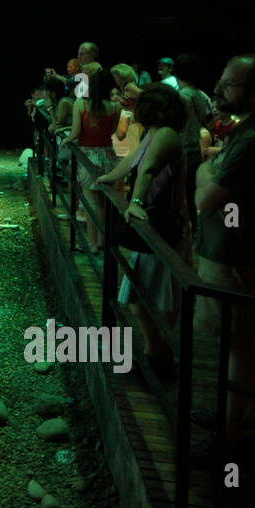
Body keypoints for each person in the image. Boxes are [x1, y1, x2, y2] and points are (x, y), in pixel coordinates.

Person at [191, 55, 255, 463]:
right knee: (244, 338)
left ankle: (231, 437)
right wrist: (212, 169)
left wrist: (206, 170)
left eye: (227, 84)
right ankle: (240, 419)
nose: (218, 90)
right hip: (242, 251)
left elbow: (205, 197)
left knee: (236, 341)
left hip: (232, 254)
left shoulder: (253, 139)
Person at [96, 84, 189, 380]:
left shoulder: (166, 135)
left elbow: (147, 170)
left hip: (164, 226)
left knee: (155, 294)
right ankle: (156, 352)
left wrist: (135, 203)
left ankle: (160, 355)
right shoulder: (157, 132)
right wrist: (110, 177)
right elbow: (134, 160)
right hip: (157, 223)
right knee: (142, 292)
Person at [70, 69, 121, 252]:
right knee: (105, 201)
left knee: (91, 201)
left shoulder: (81, 105)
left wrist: (66, 139)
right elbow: (113, 133)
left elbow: (76, 133)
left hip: (88, 156)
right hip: (109, 156)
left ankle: (91, 243)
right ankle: (102, 241)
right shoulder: (116, 107)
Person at [174, 54, 212, 230]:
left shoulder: (181, 97)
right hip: (195, 150)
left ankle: (184, 233)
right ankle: (193, 230)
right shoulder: (201, 95)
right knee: (190, 195)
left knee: (180, 196)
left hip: (183, 151)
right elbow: (208, 121)